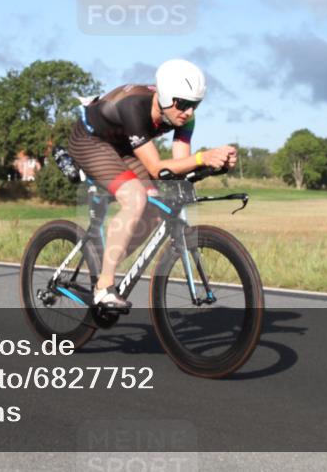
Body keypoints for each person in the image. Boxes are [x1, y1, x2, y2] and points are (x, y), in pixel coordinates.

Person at [66, 59, 238, 310]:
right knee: (135, 198)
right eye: (183, 104)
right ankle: (104, 287)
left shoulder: (184, 118)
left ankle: (106, 266)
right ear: (166, 96)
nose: (189, 112)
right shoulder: (134, 106)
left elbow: (178, 167)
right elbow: (157, 168)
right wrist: (203, 157)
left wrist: (215, 165)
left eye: (195, 105)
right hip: (90, 141)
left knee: (156, 208)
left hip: (123, 146)